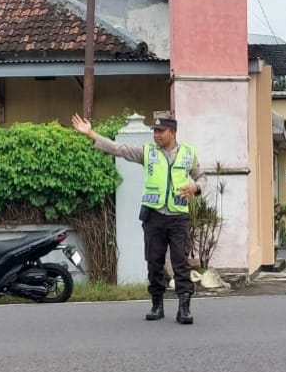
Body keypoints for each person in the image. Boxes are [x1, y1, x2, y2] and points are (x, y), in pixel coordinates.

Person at [72, 112, 205, 324]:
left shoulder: (188, 154)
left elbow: (202, 177)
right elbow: (119, 149)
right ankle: (157, 304)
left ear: (173, 132)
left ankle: (184, 308)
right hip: (154, 217)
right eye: (155, 131)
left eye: (161, 131)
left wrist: (196, 187)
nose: (156, 135)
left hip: (178, 217)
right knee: (154, 262)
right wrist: (91, 134)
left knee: (181, 262)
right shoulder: (148, 153)